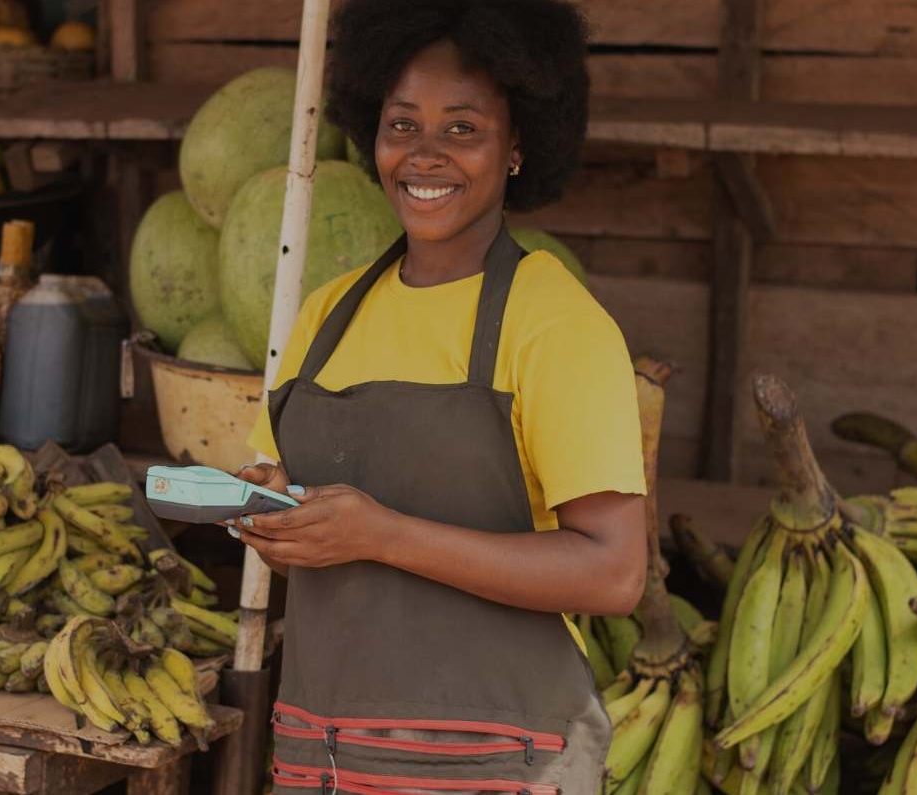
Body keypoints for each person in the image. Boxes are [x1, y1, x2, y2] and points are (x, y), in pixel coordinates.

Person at [233, 0, 648, 792]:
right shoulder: (324, 316)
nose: (425, 156)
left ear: (518, 144)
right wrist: (276, 512)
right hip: (325, 760)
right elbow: (321, 530)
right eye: (402, 125)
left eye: (462, 128)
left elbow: (613, 572)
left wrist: (382, 534)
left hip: (502, 765)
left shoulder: (556, 322)